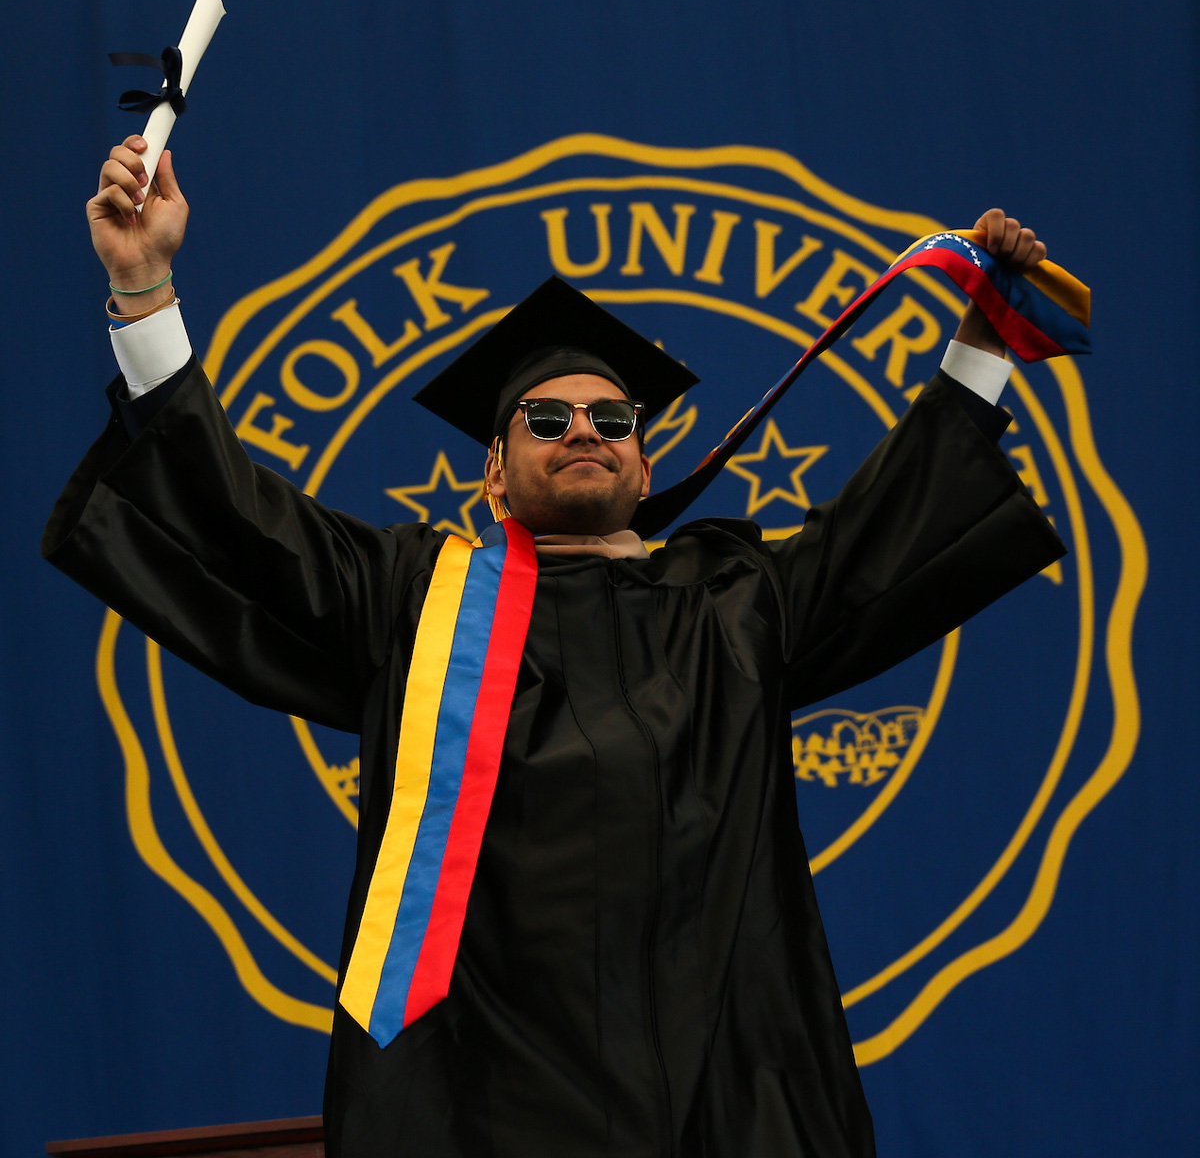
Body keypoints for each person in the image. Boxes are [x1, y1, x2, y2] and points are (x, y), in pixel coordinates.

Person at [44, 135, 1065, 1158]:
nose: (583, 429)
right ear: (493, 473)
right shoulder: (416, 597)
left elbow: (888, 529)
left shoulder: (734, 602)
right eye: (546, 417)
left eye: (610, 415)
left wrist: (984, 332)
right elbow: (241, 522)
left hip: (719, 1082)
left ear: (644, 452)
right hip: (480, 1094)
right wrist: (144, 290)